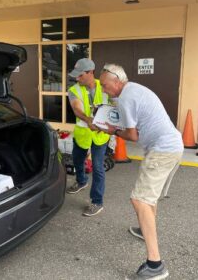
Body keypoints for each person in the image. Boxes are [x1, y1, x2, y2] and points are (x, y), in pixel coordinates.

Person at [99, 63, 184, 280]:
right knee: (149, 198)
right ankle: (143, 229)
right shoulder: (133, 89)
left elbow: (132, 136)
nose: (104, 89)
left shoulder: (127, 97)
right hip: (172, 145)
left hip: (162, 149)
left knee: (140, 200)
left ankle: (155, 265)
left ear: (117, 81)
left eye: (105, 85)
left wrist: (112, 131)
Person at [66, 58, 110, 217]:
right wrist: (87, 119)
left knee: (98, 168)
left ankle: (97, 202)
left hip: (100, 135)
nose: (77, 78)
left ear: (91, 72)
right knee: (77, 160)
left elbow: (114, 107)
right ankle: (81, 181)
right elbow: (77, 109)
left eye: (80, 75)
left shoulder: (105, 86)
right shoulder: (74, 90)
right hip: (83, 134)